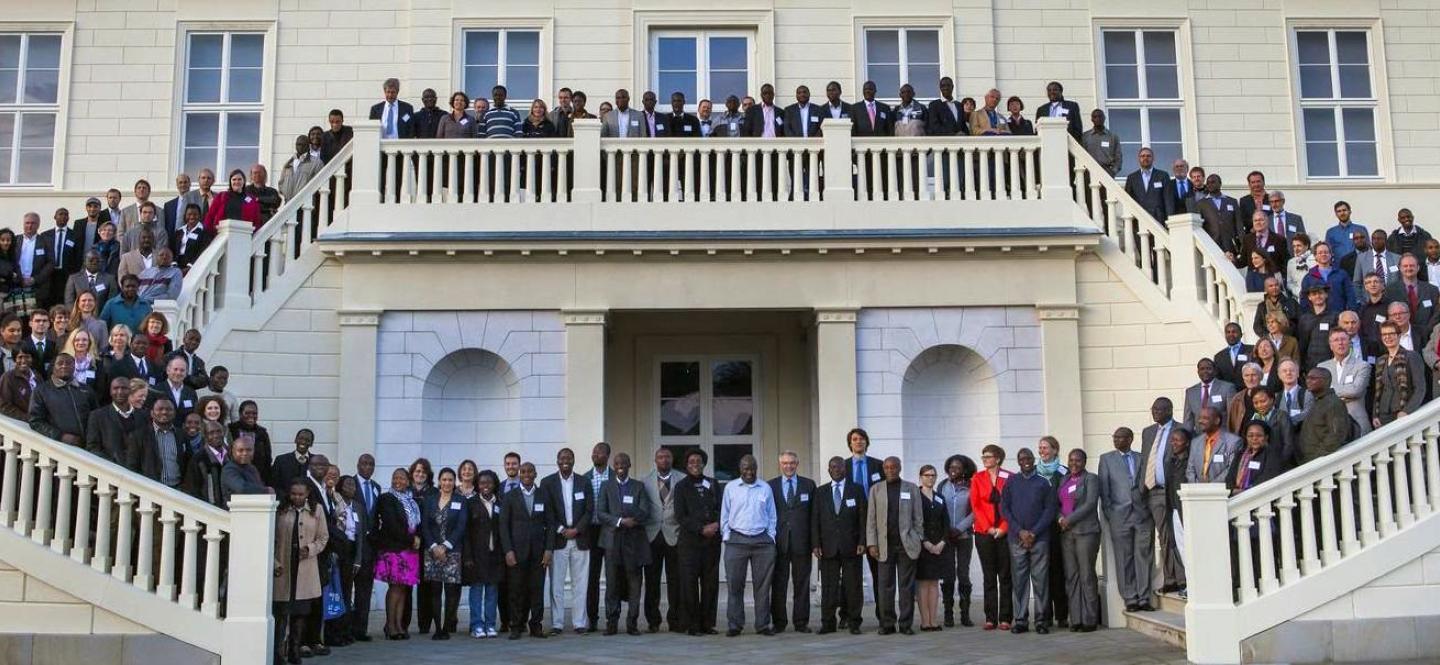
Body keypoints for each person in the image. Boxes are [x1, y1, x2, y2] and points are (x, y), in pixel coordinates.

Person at [1000, 448, 1058, 635]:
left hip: (1039, 539)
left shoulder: (1044, 483)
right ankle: (1021, 620)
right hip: (1016, 539)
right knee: (1020, 582)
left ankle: (1041, 620)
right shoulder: (1011, 482)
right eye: (1021, 458)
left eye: (1028, 458)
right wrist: (1020, 531)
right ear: (1018, 461)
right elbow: (1004, 509)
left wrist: (1033, 532)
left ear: (1034, 460)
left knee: (1041, 581)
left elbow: (1049, 510)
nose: (1025, 461)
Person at [1099, 427, 1155, 612]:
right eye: (1115, 437)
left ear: (1130, 439)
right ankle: (1130, 598)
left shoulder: (1141, 457)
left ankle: (1144, 597)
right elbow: (1104, 489)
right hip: (1119, 515)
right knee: (1124, 558)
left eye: (1121, 437)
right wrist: (1110, 513)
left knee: (1144, 556)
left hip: (1142, 514)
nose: (1117, 440)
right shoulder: (1106, 459)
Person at [720, 454, 776, 636]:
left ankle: (762, 625)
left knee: (763, 586)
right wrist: (727, 536)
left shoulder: (765, 488)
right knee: (735, 585)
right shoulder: (731, 488)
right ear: (740, 469)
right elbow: (725, 515)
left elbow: (772, 515)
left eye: (752, 468)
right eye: (746, 468)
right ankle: (735, 625)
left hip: (762, 542)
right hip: (736, 541)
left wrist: (771, 537)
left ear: (757, 468)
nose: (749, 472)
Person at [275, 478, 328, 664]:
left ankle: (294, 650)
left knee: (300, 612)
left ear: (307, 494)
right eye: (293, 494)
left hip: (305, 567)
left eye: (301, 494)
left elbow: (323, 538)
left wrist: (310, 549)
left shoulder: (317, 510)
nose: (297, 497)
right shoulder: (280, 509)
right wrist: (275, 563)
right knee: (281, 612)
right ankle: (278, 652)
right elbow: (272, 539)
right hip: (283, 566)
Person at [598, 452, 651, 635]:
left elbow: (645, 511)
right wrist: (620, 521)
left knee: (634, 583)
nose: (620, 465)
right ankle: (611, 623)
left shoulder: (638, 486)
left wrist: (632, 519)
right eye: (617, 463)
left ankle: (632, 623)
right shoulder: (606, 486)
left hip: (633, 542)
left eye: (624, 463)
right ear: (614, 465)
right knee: (612, 584)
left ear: (629, 465)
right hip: (612, 542)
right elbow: (600, 513)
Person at [541, 447, 591, 635]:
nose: (566, 460)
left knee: (581, 583)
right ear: (557, 460)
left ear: (574, 460)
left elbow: (589, 510)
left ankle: (579, 623)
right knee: (556, 584)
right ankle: (557, 624)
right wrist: (562, 530)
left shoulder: (584, 482)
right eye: (562, 458)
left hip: (581, 539)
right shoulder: (547, 483)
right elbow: (548, 512)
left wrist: (576, 529)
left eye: (569, 457)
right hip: (558, 539)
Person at [499, 461, 551, 639]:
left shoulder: (543, 494)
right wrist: (508, 551)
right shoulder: (510, 496)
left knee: (537, 590)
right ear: (519, 474)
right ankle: (515, 625)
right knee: (516, 590)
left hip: (539, 552)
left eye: (530, 471)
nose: (527, 474)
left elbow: (550, 525)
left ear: (536, 474)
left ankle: (536, 625)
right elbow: (503, 526)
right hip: (516, 552)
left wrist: (548, 550)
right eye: (524, 471)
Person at [672, 448, 721, 635]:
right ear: (686, 465)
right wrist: (701, 529)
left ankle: (708, 624)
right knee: (689, 584)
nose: (695, 464)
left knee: (710, 584)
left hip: (711, 543)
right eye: (691, 461)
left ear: (704, 463)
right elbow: (680, 515)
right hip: (690, 543)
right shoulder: (681, 487)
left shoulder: (714, 484)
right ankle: (692, 624)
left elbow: (721, 507)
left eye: (698, 461)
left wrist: (715, 525)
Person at [1057, 448, 1101, 632]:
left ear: (1084, 462)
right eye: (1071, 460)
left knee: (1086, 575)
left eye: (1078, 460)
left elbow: (1090, 504)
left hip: (1086, 532)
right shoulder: (1064, 479)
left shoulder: (1091, 479)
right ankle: (1075, 618)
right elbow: (1058, 504)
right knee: (1072, 576)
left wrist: (1069, 519)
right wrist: (1059, 518)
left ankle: (1089, 619)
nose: (1074, 463)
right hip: (1067, 533)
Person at [970, 443, 1012, 631]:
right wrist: (988, 528)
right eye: (983, 456)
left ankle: (1005, 617)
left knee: (1005, 575)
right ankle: (990, 617)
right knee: (989, 576)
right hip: (983, 532)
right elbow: (976, 505)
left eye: (988, 456)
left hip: (1004, 532)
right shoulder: (977, 478)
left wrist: (1003, 528)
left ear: (998, 458)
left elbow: (1012, 505)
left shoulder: (1009, 477)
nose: (985, 459)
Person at [375, 468, 421, 640]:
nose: (398, 481)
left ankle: (399, 625)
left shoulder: (412, 502)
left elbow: (417, 525)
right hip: (394, 549)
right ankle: (390, 625)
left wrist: (417, 539)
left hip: (410, 551)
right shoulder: (386, 498)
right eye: (395, 477)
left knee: (403, 589)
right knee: (395, 587)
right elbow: (391, 525)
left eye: (402, 478)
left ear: (408, 481)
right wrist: (411, 540)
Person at [420, 467, 466, 640]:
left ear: (455, 482)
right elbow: (424, 525)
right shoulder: (429, 500)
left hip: (452, 552)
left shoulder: (460, 501)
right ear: (439, 481)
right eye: (444, 479)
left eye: (450, 480)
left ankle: (447, 627)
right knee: (435, 590)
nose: (447, 483)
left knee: (451, 591)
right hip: (432, 552)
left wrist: (445, 546)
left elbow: (461, 526)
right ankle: (437, 627)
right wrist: (434, 546)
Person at [844, 427, 884, 619]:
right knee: (852, 575)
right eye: (854, 439)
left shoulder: (879, 465)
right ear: (850, 443)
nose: (858, 442)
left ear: (867, 442)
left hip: (875, 524)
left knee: (878, 572)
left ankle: (882, 615)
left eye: (861, 439)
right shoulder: (842, 466)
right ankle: (850, 616)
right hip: (852, 526)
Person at [640, 448, 680, 633]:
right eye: (660, 457)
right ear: (655, 460)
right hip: (652, 536)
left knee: (675, 581)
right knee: (652, 581)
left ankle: (675, 619)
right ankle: (653, 621)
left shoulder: (682, 479)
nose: (664, 460)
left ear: (672, 459)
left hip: (674, 535)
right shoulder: (644, 482)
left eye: (667, 457)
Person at [935, 454, 975, 627]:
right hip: (946, 537)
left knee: (963, 574)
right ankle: (948, 613)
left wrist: (960, 528)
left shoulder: (972, 487)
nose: (953, 470)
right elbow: (938, 509)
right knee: (948, 574)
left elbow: (976, 511)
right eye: (951, 467)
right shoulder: (943, 486)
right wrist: (946, 530)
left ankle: (965, 614)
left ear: (965, 470)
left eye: (957, 467)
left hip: (964, 536)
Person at [462, 468, 503, 639]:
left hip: (495, 555)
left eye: (489, 482)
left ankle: (490, 624)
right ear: (477, 485)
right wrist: (468, 556)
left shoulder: (501, 503)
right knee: (477, 591)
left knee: (492, 591)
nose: (485, 485)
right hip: (477, 556)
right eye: (482, 483)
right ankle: (476, 625)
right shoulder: (470, 504)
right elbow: (466, 533)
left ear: (494, 484)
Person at [1034, 437, 1069, 627]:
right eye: (1040, 448)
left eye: (1046, 448)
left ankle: (1062, 615)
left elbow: (1068, 499)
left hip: (1057, 528)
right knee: (1041, 573)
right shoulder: (1033, 472)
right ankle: (1043, 615)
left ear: (1055, 450)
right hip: (1039, 528)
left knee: (1058, 571)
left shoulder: (1063, 472)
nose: (1042, 451)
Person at [28, 353, 95, 445]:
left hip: (87, 445)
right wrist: (60, 436)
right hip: (58, 446)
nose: (64, 366)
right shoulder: (41, 391)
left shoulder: (86, 390)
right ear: (53, 367)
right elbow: (35, 421)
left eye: (68, 363)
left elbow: (95, 417)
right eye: (60, 363)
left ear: (74, 366)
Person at [915, 464, 949, 632]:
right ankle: (924, 621)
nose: (931, 478)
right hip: (923, 546)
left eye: (933, 475)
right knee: (923, 584)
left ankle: (934, 620)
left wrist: (942, 542)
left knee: (934, 583)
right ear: (921, 477)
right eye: (927, 475)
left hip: (938, 547)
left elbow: (946, 522)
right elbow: (914, 522)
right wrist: (925, 542)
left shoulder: (939, 497)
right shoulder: (916, 496)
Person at [582, 441, 612, 633]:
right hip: (591, 532)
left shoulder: (615, 477)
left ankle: (612, 617)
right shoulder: (584, 479)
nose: (595, 455)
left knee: (612, 576)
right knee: (591, 577)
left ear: (607, 455)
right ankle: (592, 618)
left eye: (599, 452)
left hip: (610, 530)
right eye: (593, 452)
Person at [1372, 321, 1425, 428]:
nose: (1388, 337)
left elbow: (1420, 388)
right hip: (1383, 415)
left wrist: (1407, 411)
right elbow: (1378, 390)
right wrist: (1375, 415)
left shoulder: (1412, 356)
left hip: (1403, 413)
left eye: (1391, 334)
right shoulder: (1381, 360)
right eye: (1384, 334)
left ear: (1399, 335)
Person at [1319, 330, 1372, 435]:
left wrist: (1330, 390)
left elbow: (1355, 391)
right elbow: (1319, 393)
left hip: (1357, 424)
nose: (1340, 343)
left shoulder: (1363, 366)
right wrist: (1345, 392)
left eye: (1343, 339)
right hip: (1330, 425)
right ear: (1331, 346)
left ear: (1350, 343)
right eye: (1336, 340)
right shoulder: (1321, 367)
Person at [1226, 421, 1294, 496]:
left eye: (1259, 435)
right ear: (1246, 437)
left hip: (1259, 497)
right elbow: (1230, 477)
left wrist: (1246, 491)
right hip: (1236, 496)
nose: (1254, 438)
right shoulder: (1240, 454)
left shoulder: (1273, 454)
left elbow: (1267, 477)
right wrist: (1232, 490)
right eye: (1250, 436)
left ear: (1266, 437)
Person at [84, 377, 139, 465]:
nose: (119, 392)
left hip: (139, 474)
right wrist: (111, 464)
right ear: (110, 391)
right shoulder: (97, 416)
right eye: (115, 388)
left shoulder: (142, 416)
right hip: (110, 472)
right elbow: (92, 448)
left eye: (124, 388)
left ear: (130, 391)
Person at [1187, 406, 1242, 484]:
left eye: (1205, 418)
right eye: (1199, 418)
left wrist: (1211, 486)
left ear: (1217, 421)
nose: (1200, 421)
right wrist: (1197, 485)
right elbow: (1190, 469)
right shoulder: (1195, 442)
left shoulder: (1233, 441)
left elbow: (1232, 469)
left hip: (1221, 491)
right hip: (1197, 491)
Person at [1183, 357, 1237, 431]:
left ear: (1215, 371)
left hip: (1222, 437)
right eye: (1202, 369)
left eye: (1208, 368)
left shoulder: (1227, 388)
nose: (1205, 371)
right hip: (1200, 438)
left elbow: (1233, 416)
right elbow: (1188, 420)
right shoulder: (1190, 392)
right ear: (1198, 372)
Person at [184, 420, 229, 507]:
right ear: (205, 436)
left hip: (231, 508)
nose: (216, 435)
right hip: (209, 508)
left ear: (223, 432)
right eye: (211, 433)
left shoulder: (231, 455)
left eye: (218, 431)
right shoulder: (198, 459)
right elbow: (193, 489)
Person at [1123, 147, 1173, 226]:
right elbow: (1127, 201)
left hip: (1159, 219)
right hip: (1138, 220)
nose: (1145, 158)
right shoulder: (1132, 178)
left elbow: (1168, 200)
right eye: (1142, 156)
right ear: (1138, 159)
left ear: (1153, 158)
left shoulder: (1163, 176)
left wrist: (1170, 220)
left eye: (1148, 156)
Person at [220, 433, 267, 504]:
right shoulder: (229, 469)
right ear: (233, 452)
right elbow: (241, 488)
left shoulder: (252, 468)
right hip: (234, 512)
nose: (245, 453)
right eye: (240, 450)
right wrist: (265, 491)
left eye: (249, 450)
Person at [278, 135, 324, 201]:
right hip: (288, 204)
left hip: (305, 205)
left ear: (308, 146)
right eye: (298, 144)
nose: (300, 147)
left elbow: (320, 183)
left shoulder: (316, 163)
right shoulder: (288, 163)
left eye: (303, 144)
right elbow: (281, 183)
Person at [271, 428, 314, 494]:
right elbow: (274, 485)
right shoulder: (281, 460)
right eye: (301, 438)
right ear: (295, 440)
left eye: (307, 440)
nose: (303, 442)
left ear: (311, 443)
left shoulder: (316, 461)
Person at [1080, 109, 1121, 175]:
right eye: (1095, 117)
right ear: (1092, 120)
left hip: (1107, 172)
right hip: (1089, 172)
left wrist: (1113, 171)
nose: (1098, 119)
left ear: (1104, 118)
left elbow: (1118, 157)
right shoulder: (1085, 136)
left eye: (1100, 116)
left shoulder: (1113, 137)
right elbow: (1081, 156)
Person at [0, 347, 35, 420]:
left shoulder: (38, 377)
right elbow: (4, 406)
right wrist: (27, 418)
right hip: (19, 424)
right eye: (20, 357)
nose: (24, 361)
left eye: (27, 357)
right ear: (14, 359)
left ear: (32, 359)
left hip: (38, 423)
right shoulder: (8, 378)